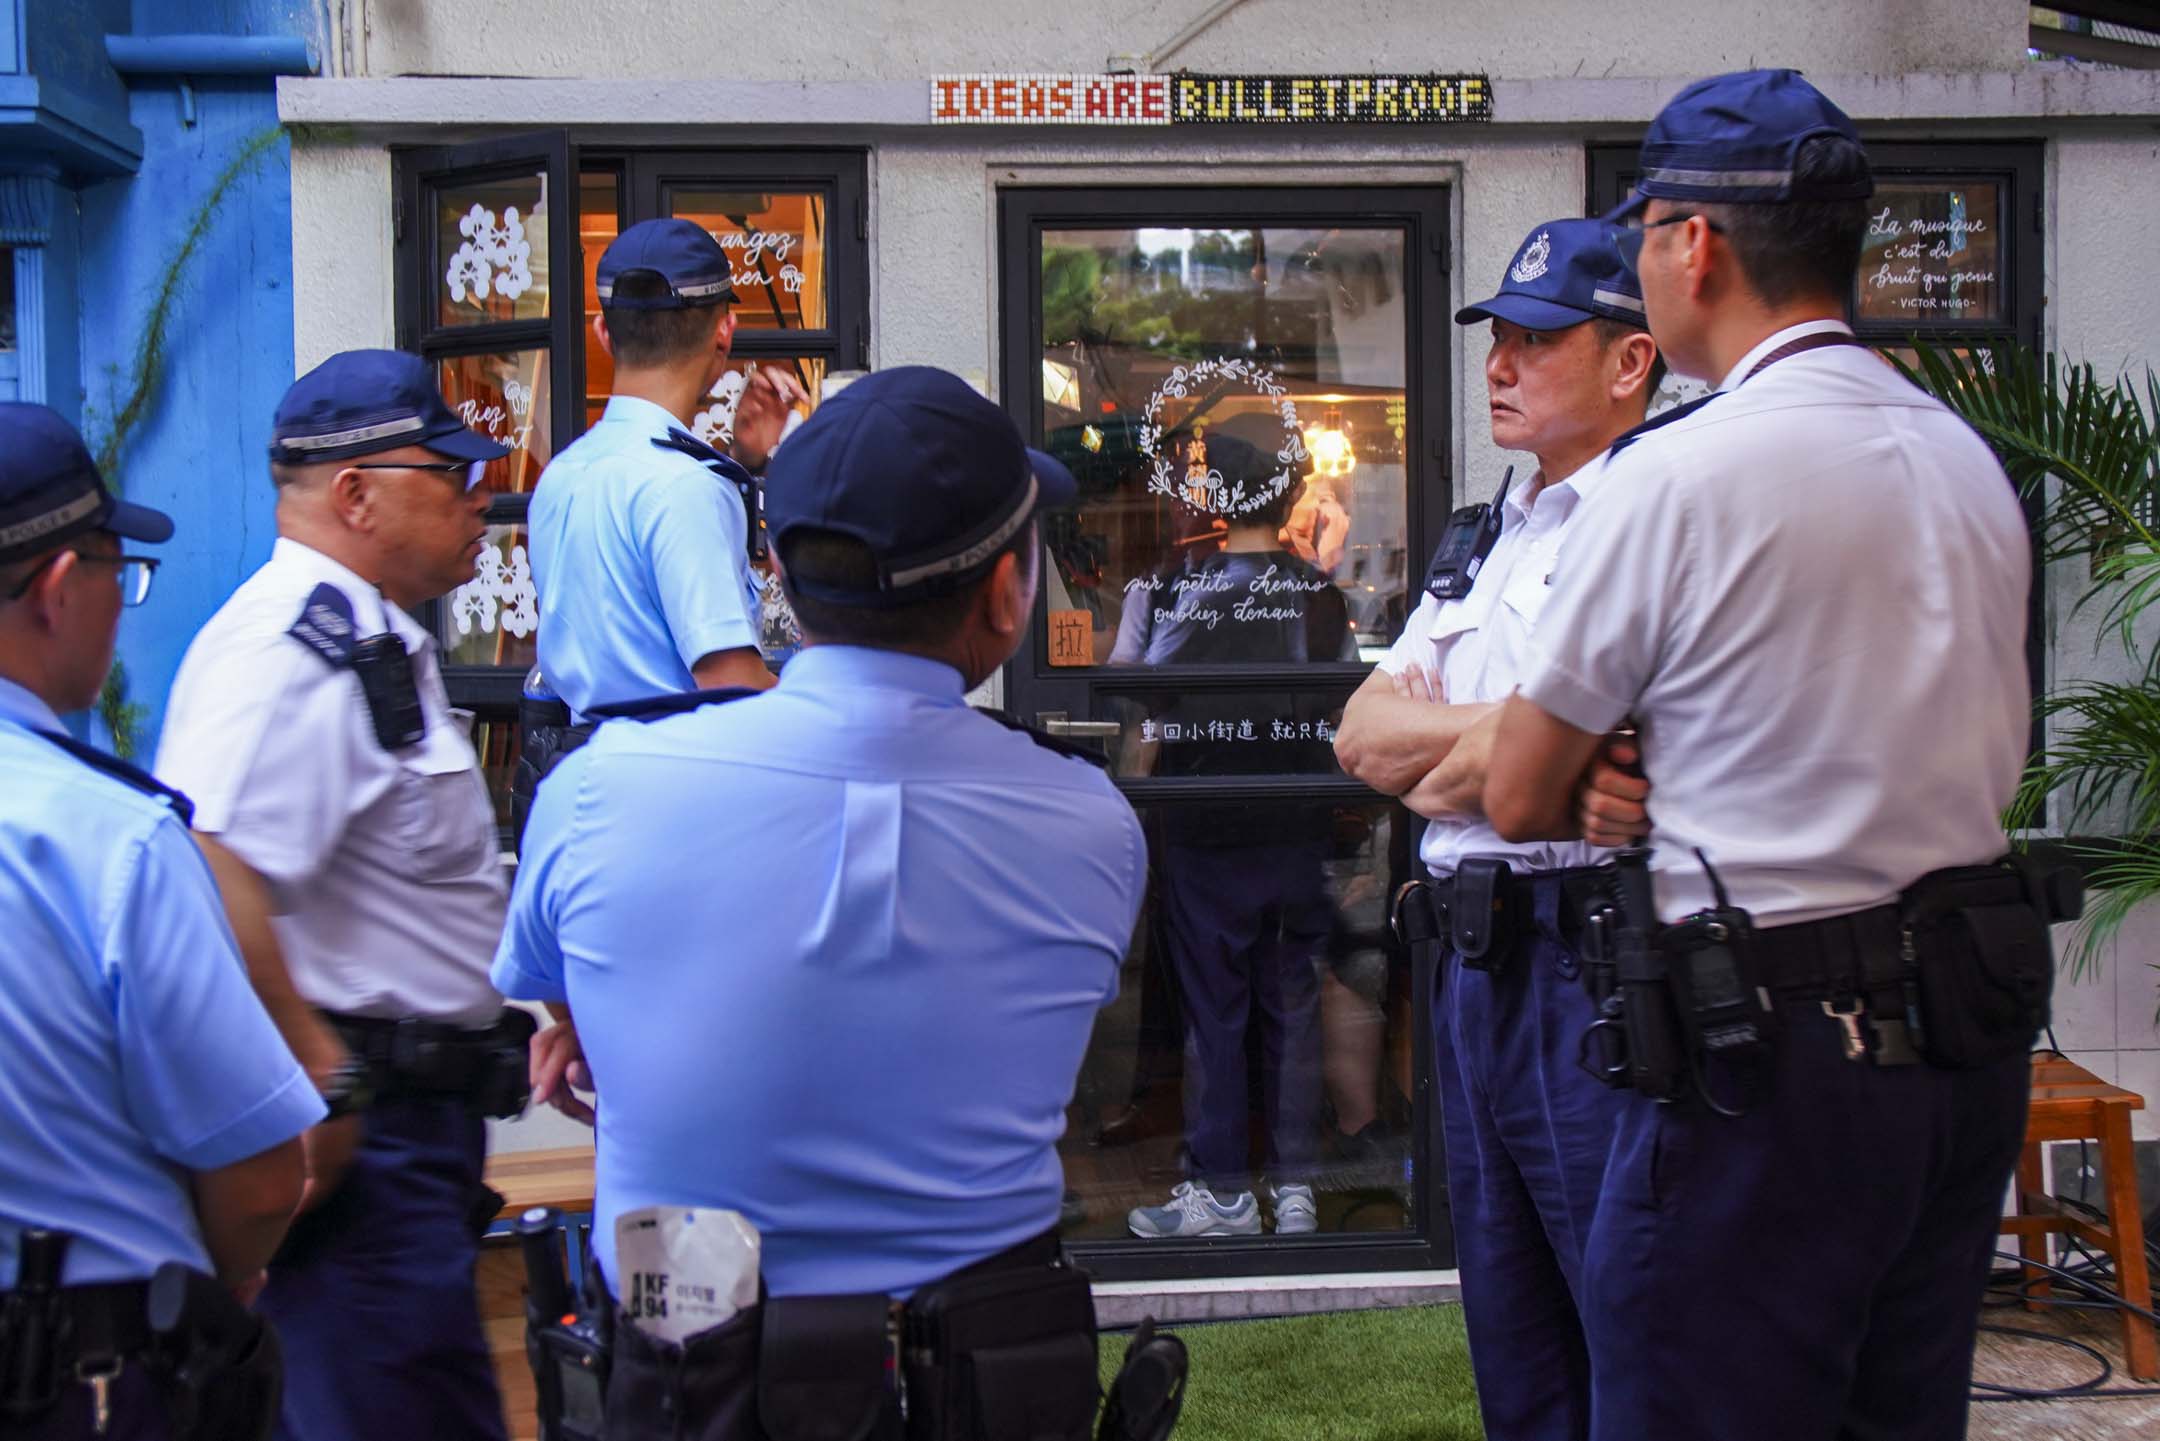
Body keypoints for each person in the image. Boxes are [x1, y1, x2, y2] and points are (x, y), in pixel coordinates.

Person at [1483, 70, 2037, 1441]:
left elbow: (1518, 789)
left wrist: (1623, 745)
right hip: (1961, 1040)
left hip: (1767, 1061)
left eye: (1647, 233)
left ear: (1698, 243)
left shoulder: (1682, 473)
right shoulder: (1964, 458)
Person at [494, 366, 1143, 1437]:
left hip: (685, 1377)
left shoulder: (597, 791)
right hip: (983, 1380)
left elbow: (566, 1004)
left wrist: (609, 1024)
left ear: (781, 583)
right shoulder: (1090, 823)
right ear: (1007, 593)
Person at [156, 350, 534, 1441]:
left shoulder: (369, 637)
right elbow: (208, 858)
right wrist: (323, 1071)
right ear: (356, 493)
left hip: (414, 1138)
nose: (480, 498)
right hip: (360, 1148)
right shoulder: (289, 649)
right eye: (448, 475)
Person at [1330, 216, 1661, 1440]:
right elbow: (1361, 735)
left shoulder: (1652, 514)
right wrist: (1511, 747)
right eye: (1495, 340)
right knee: (1510, 1323)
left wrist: (1462, 748)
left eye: (1535, 339)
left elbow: (1603, 751)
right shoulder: (1493, 529)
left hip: (1594, 965)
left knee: (1615, 1316)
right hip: (1473, 963)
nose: (1499, 366)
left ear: (1629, 360)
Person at [0, 404, 323, 1439]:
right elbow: (263, 1174)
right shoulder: (113, 840)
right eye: (115, 571)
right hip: (89, 1367)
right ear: (55, 589)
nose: (119, 604)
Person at [1114, 419, 1348, 1240]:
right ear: (1284, 495)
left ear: (1217, 497)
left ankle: (1220, 1191)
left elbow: (1138, 692)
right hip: (1295, 822)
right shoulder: (1318, 594)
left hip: (1205, 824)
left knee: (1214, 1010)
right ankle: (1295, 1188)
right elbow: (1335, 702)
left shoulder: (1174, 589)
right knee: (1291, 1003)